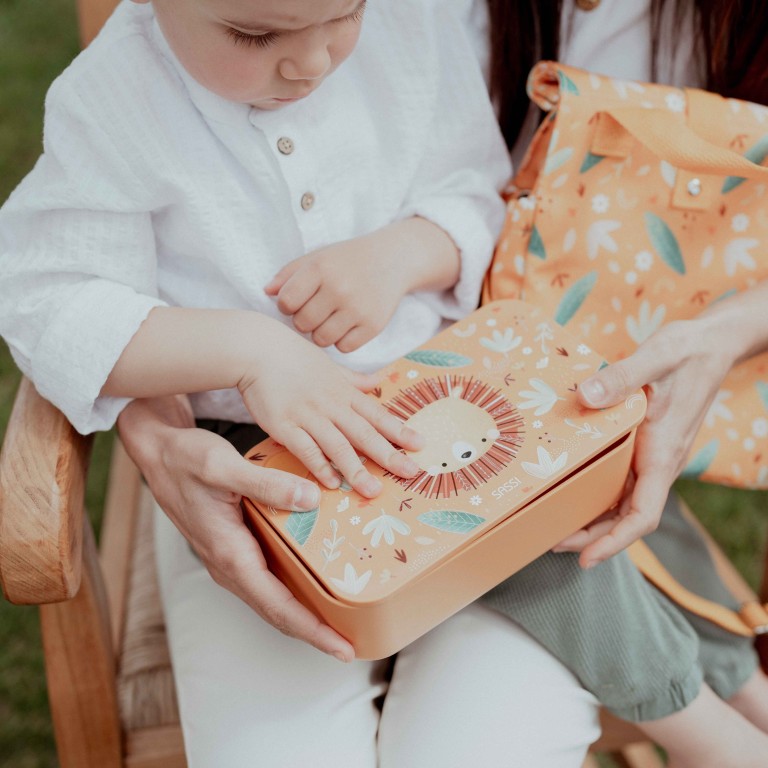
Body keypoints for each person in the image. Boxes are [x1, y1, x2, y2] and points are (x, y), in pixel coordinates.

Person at [0, 0, 604, 766]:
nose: (312, 62)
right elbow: (51, 297)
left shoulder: (411, 26)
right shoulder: (113, 99)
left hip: (451, 444)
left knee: (491, 740)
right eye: (256, 36)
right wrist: (252, 350)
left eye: (343, 15)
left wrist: (406, 252)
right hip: (253, 483)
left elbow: (482, 192)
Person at [476, 2, 768, 767]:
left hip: (598, 363)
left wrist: (732, 325)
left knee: (602, 486)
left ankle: (734, 705)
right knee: (562, 498)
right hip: (483, 359)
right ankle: (725, 719)